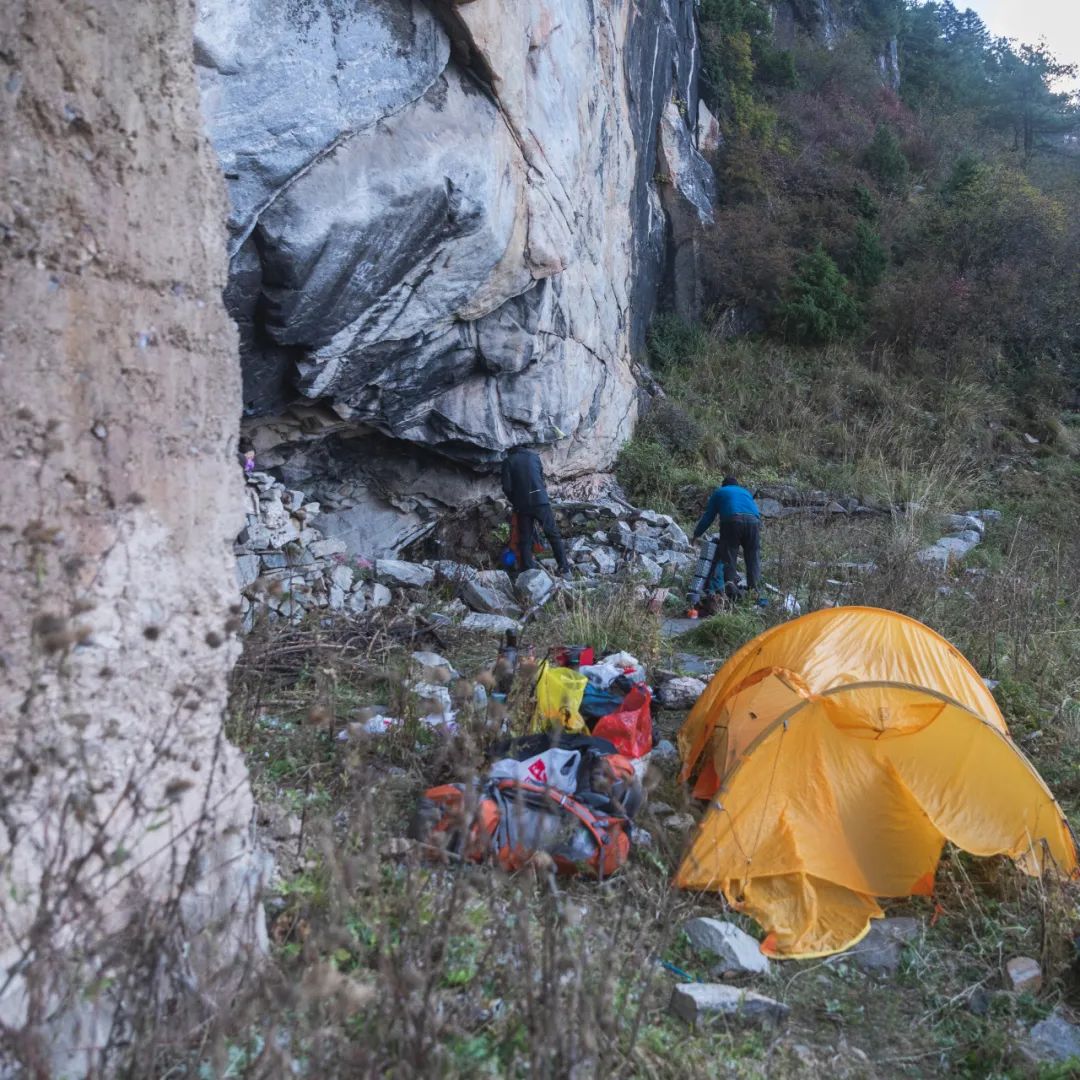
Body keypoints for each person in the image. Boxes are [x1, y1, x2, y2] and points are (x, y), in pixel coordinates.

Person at [500, 446, 570, 576]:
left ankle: (527, 570)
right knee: (553, 534)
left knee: (525, 538)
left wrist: (515, 500)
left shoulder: (509, 461)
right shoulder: (534, 457)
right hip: (541, 501)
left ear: (511, 451)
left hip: (522, 505)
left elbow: (507, 487)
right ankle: (564, 568)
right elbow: (540, 479)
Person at [691, 475, 761, 604]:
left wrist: (696, 534)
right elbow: (756, 512)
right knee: (753, 558)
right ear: (737, 485)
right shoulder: (745, 492)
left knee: (729, 557)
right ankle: (756, 596)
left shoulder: (720, 492)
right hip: (754, 523)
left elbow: (709, 516)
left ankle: (731, 596)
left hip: (732, 521)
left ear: (724, 485)